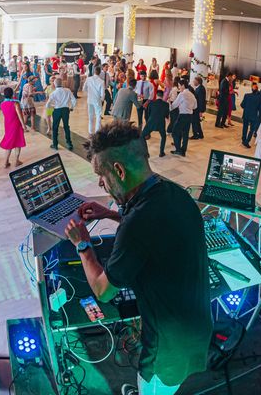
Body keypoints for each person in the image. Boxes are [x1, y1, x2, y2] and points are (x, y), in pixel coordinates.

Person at [64, 121, 211, 395]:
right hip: (195, 327)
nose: (100, 182)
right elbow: (154, 228)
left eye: (101, 174)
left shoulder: (137, 225)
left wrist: (82, 245)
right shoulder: (176, 194)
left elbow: (103, 290)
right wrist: (110, 214)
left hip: (167, 350)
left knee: (153, 389)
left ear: (119, 170)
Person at [0, 87, 27, 168]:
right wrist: (23, 125)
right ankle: (16, 161)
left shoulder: (2, 104)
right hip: (16, 124)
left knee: (9, 141)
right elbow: (20, 115)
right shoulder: (15, 104)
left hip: (7, 124)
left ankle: (6, 162)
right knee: (17, 142)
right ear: (12, 94)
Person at [46, 78, 76, 150]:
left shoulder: (53, 93)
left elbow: (47, 105)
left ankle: (55, 144)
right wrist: (71, 107)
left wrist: (52, 107)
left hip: (56, 110)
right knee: (66, 126)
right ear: (62, 83)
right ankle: (69, 143)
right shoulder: (67, 90)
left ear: (55, 84)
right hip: (65, 110)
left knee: (55, 127)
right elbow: (74, 100)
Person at [170, 78, 196, 157]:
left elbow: (174, 105)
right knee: (185, 133)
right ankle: (183, 150)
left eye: (179, 86)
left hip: (183, 115)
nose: (178, 88)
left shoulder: (182, 94)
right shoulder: (191, 94)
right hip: (190, 116)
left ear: (183, 85)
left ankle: (178, 150)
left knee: (174, 132)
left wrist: (169, 104)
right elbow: (195, 106)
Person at [142, 90, 169, 157]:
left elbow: (148, 114)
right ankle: (161, 152)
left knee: (142, 136)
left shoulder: (151, 103)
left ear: (156, 95)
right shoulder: (166, 104)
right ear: (162, 96)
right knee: (163, 137)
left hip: (151, 122)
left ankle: (146, 153)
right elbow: (166, 115)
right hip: (161, 124)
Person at [83, 66, 105, 134]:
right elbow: (102, 94)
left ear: (93, 72)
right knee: (98, 115)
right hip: (97, 100)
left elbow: (84, 89)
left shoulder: (88, 79)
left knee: (91, 116)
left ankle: (90, 131)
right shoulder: (101, 81)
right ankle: (97, 131)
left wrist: (89, 93)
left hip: (90, 99)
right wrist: (101, 100)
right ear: (100, 72)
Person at [240, 82, 261, 148]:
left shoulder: (246, 95)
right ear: (257, 89)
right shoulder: (259, 98)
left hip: (246, 114)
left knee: (245, 127)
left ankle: (243, 140)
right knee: (251, 129)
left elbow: (242, 105)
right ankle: (247, 141)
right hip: (253, 116)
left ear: (251, 89)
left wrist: (247, 107)